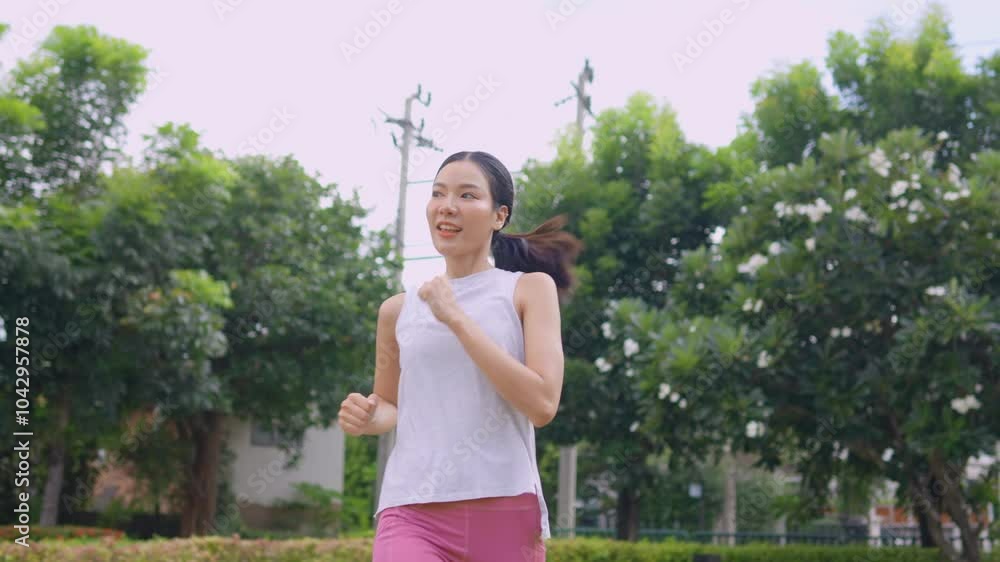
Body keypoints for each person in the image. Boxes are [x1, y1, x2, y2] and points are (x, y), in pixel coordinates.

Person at [338, 150, 583, 561]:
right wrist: (368, 415)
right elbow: (391, 405)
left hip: (503, 509)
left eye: (467, 195)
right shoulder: (397, 310)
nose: (447, 206)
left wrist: (456, 318)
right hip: (411, 507)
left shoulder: (528, 289)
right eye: (438, 193)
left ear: (499, 216)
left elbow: (542, 404)